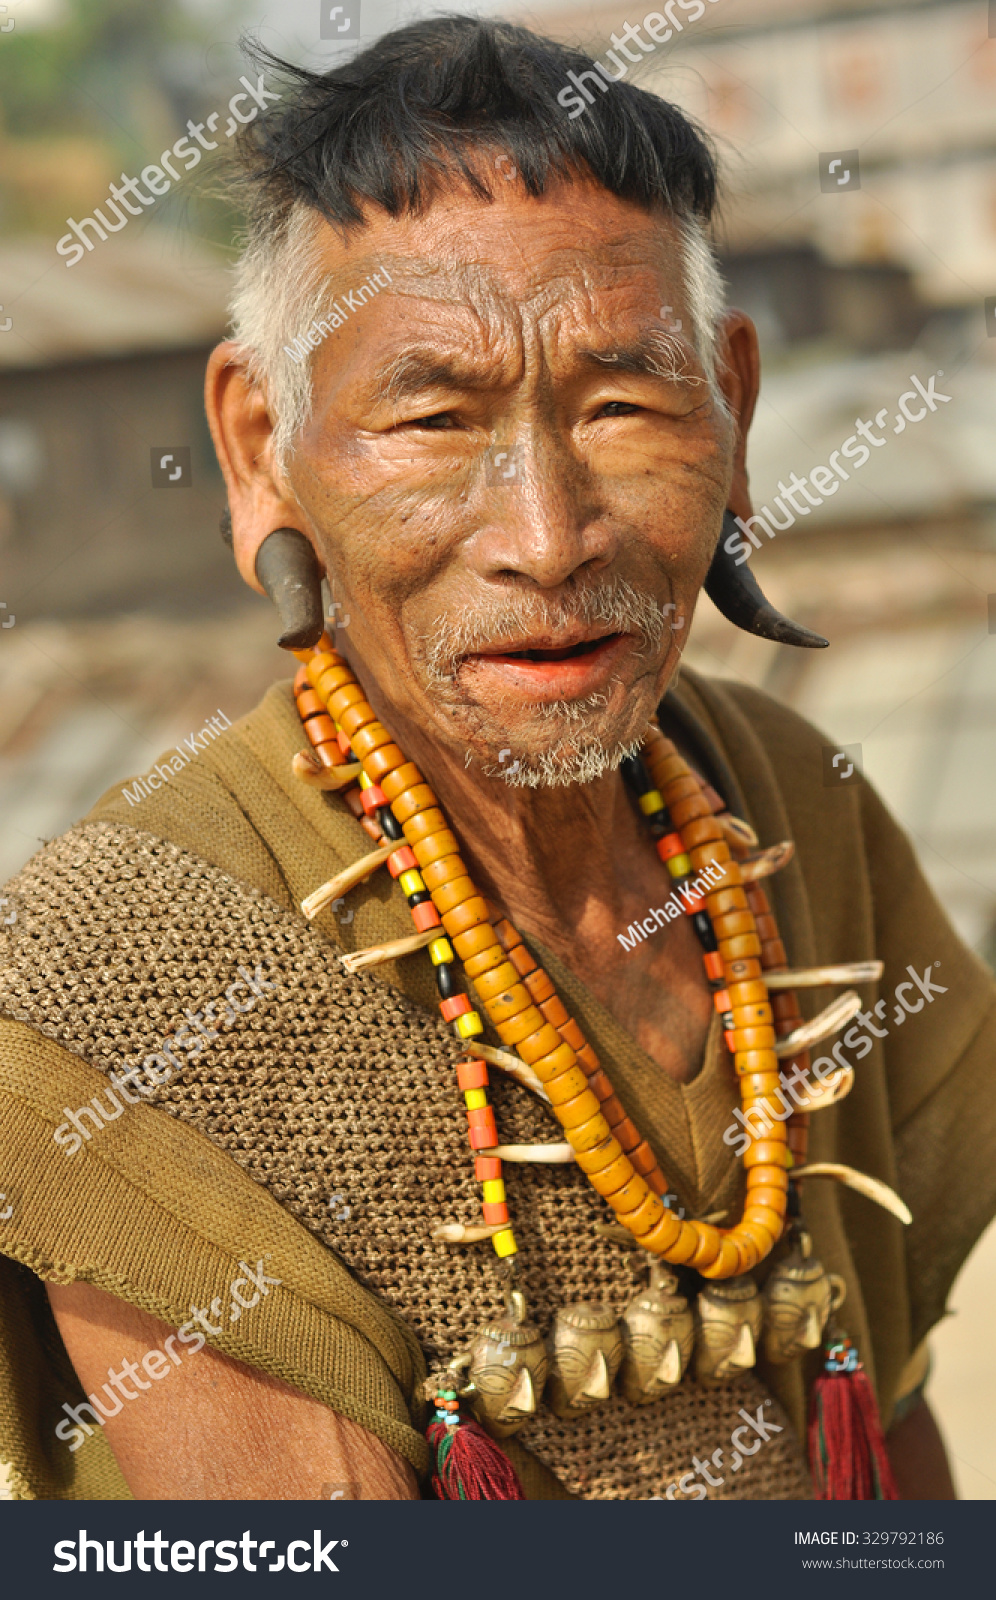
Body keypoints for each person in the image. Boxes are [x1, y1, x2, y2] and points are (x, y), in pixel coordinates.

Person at [0, 17, 992, 1503]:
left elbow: (890, 1434)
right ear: (262, 446)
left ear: (735, 402)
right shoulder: (126, 974)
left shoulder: (785, 809)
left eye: (621, 404)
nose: (546, 536)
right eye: (432, 416)